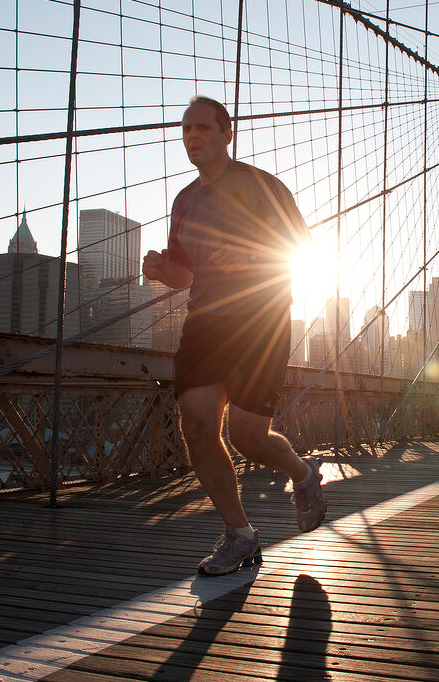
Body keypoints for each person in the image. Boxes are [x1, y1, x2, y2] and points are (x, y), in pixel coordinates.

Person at [143, 96, 324, 576]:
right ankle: (240, 535)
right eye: (185, 130)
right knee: (197, 424)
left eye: (202, 127)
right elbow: (186, 273)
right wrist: (164, 269)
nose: (192, 136)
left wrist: (249, 260)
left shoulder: (260, 186)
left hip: (259, 321)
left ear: (228, 134)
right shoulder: (185, 201)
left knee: (247, 437)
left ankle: (303, 474)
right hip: (205, 322)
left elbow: (301, 247)